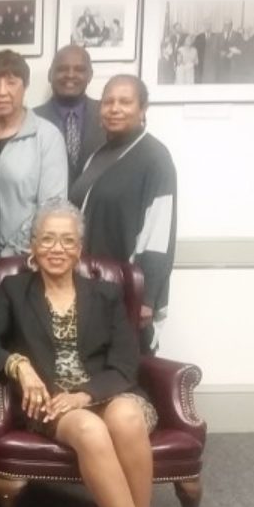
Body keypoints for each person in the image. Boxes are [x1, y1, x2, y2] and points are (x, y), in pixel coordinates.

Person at [0, 199, 181, 507]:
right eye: (47, 239)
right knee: (90, 431)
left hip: (109, 391)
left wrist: (86, 394)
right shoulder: (15, 291)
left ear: (80, 249)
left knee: (126, 419)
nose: (57, 248)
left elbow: (126, 364)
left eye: (67, 240)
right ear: (33, 246)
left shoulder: (106, 294)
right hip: (53, 403)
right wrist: (19, 365)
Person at [68, 75, 176, 352]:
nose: (115, 108)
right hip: (90, 284)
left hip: (127, 290)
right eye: (108, 102)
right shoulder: (97, 154)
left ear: (143, 109)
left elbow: (159, 231)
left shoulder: (155, 158)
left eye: (125, 102)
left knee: (123, 363)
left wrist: (147, 297)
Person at [0, 50, 67, 258]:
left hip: (23, 259)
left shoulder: (46, 136)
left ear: (25, 86)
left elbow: (51, 208)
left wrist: (9, 254)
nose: (2, 92)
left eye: (11, 82)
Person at [35, 45, 104, 184]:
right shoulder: (31, 119)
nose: (70, 75)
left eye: (79, 70)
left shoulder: (108, 115)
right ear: (50, 75)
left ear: (90, 75)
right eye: (62, 69)